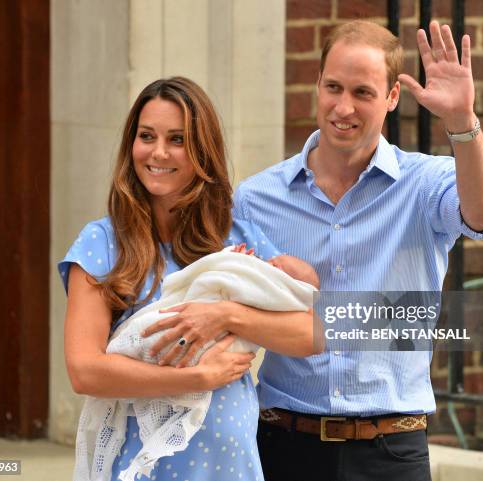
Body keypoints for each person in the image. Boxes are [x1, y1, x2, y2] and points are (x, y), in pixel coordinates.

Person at [232, 20, 483, 481]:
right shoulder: (256, 197)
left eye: (362, 92)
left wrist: (462, 123)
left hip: (391, 452)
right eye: (333, 87)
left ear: (393, 97)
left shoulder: (425, 184)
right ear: (317, 84)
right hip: (283, 445)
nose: (344, 107)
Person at [59, 76, 320, 481]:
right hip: (145, 467)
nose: (158, 152)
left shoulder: (236, 237)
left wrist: (227, 315)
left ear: (202, 150)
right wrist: (196, 378)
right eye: (147, 136)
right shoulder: (101, 243)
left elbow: (310, 334)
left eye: (177, 139)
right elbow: (84, 371)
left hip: (232, 466)